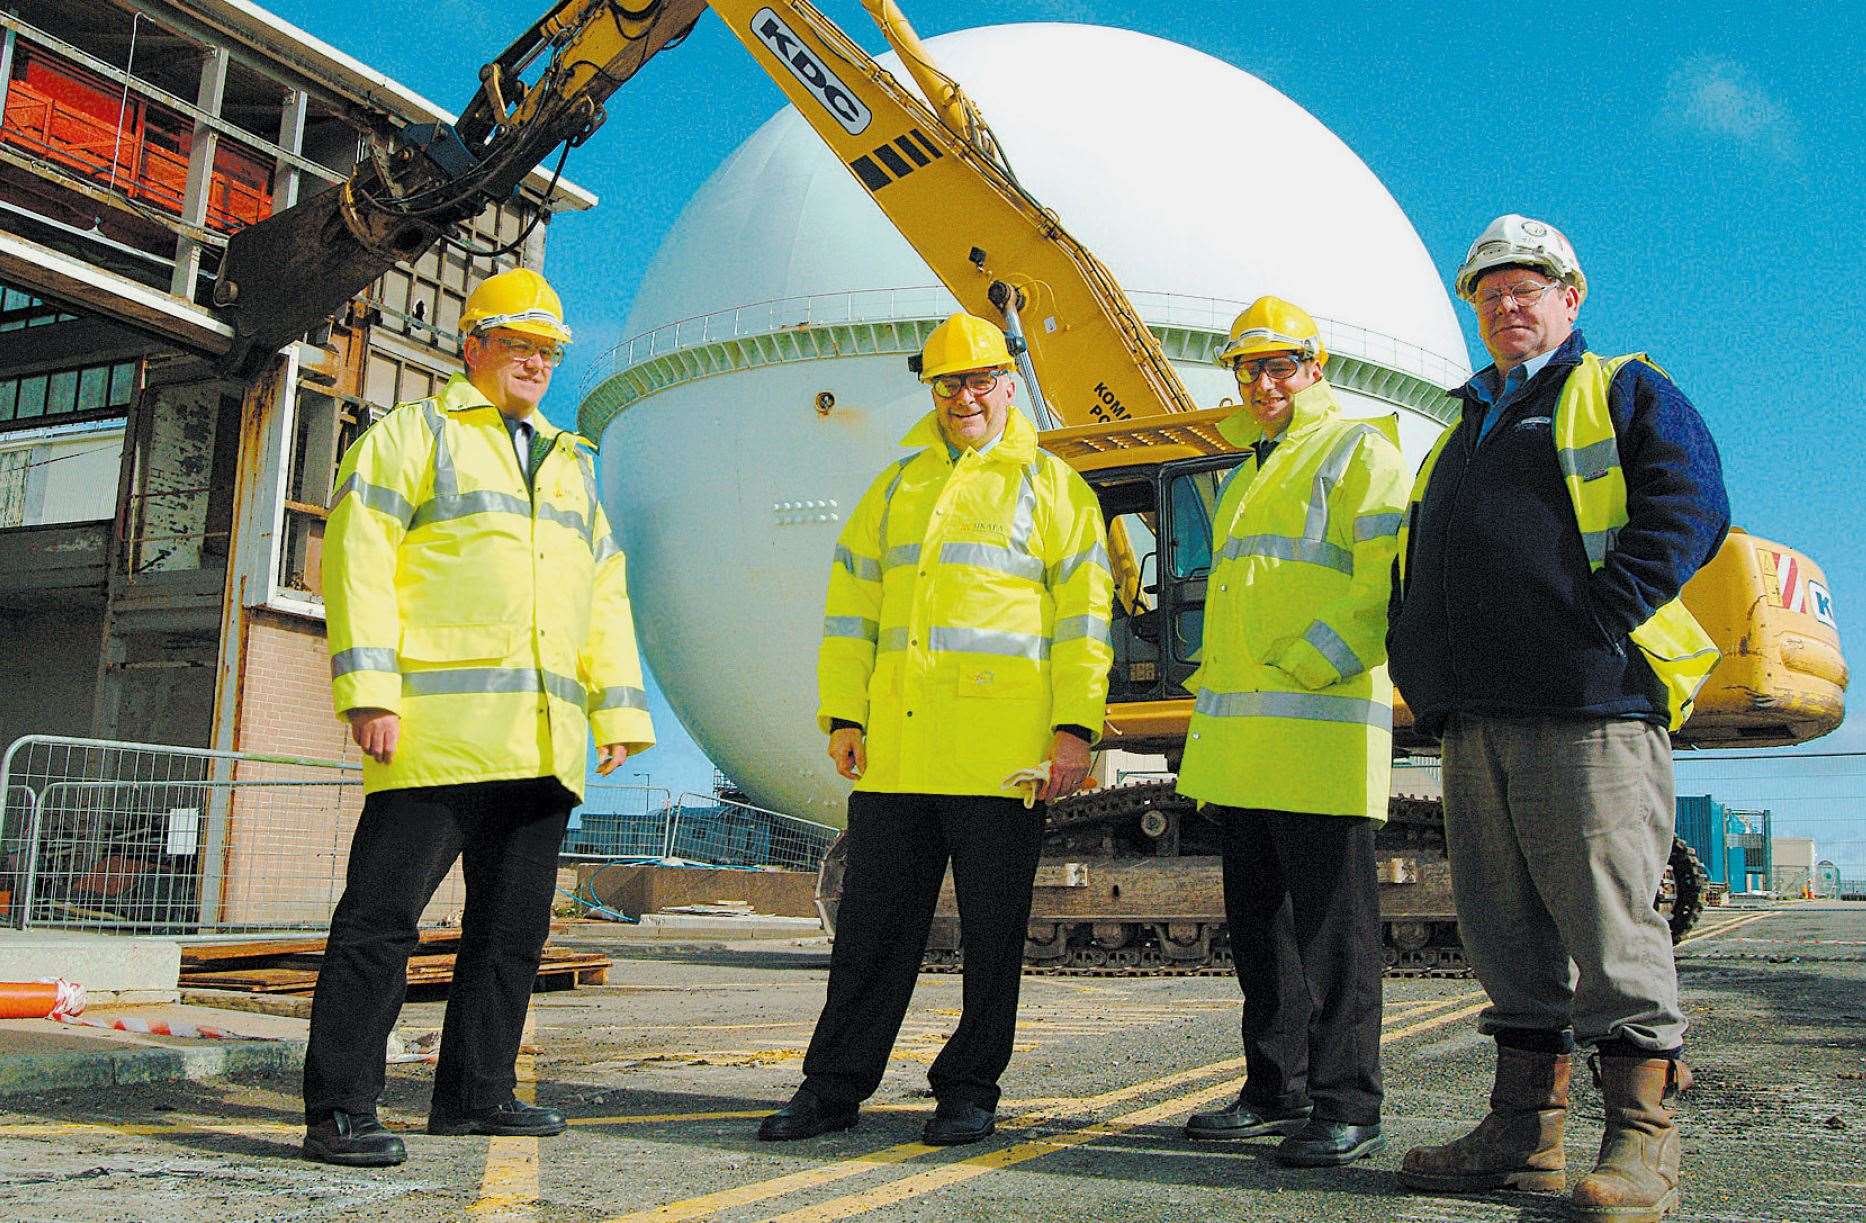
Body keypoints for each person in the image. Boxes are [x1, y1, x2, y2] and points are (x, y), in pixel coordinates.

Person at [1389, 215, 1728, 1218]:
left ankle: (1643, 1144)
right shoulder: (1462, 425)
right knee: (1505, 934)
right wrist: (1427, 669)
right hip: (1478, 716)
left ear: (1570, 298)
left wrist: (1601, 613)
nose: (1507, 304)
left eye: (1527, 287)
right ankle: (1521, 1131)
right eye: (1490, 293)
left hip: (1591, 707)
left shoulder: (1618, 389)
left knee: (1611, 926)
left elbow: (1691, 502)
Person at [303, 267, 655, 1167]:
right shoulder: (414, 437)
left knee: (511, 932)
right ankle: (341, 1108)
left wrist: (618, 709)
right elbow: (359, 558)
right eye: (519, 344)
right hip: (438, 736)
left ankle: (475, 1093)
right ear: (475, 346)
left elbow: (603, 592)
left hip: (542, 741)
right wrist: (371, 689)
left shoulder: (572, 465)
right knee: (381, 923)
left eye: (548, 350)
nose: (536, 362)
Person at [758, 312, 1113, 1147]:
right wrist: (845, 715)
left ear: (1008, 383)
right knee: (871, 937)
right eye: (948, 382)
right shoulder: (895, 489)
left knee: (993, 941)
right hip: (898, 756)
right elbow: (852, 614)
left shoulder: (1056, 490)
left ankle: (968, 1087)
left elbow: (1084, 622)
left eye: (980, 379)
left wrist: (1073, 730)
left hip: (1004, 761)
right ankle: (834, 1086)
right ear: (932, 390)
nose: (964, 396)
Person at [1174, 296, 1407, 1168]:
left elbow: (1388, 575)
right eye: (1248, 368)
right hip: (1246, 747)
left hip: (1319, 738)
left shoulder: (1357, 449)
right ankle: (1276, 1088)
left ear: (1315, 369)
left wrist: (1317, 660)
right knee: (1261, 931)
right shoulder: (1247, 471)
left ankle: (1349, 1102)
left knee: (1335, 937)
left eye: (1280, 365)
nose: (1263, 382)